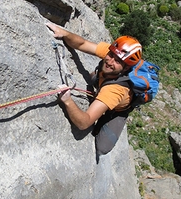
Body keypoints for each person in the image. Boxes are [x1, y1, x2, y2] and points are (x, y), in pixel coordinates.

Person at [46, 22, 142, 160]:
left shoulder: (114, 90)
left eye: (117, 61)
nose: (110, 61)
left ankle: (109, 113)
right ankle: (99, 96)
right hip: (104, 86)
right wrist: (64, 33)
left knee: (102, 148)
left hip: (117, 109)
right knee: (95, 75)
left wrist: (67, 100)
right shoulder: (113, 54)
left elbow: (83, 123)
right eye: (111, 55)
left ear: (126, 68)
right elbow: (81, 43)